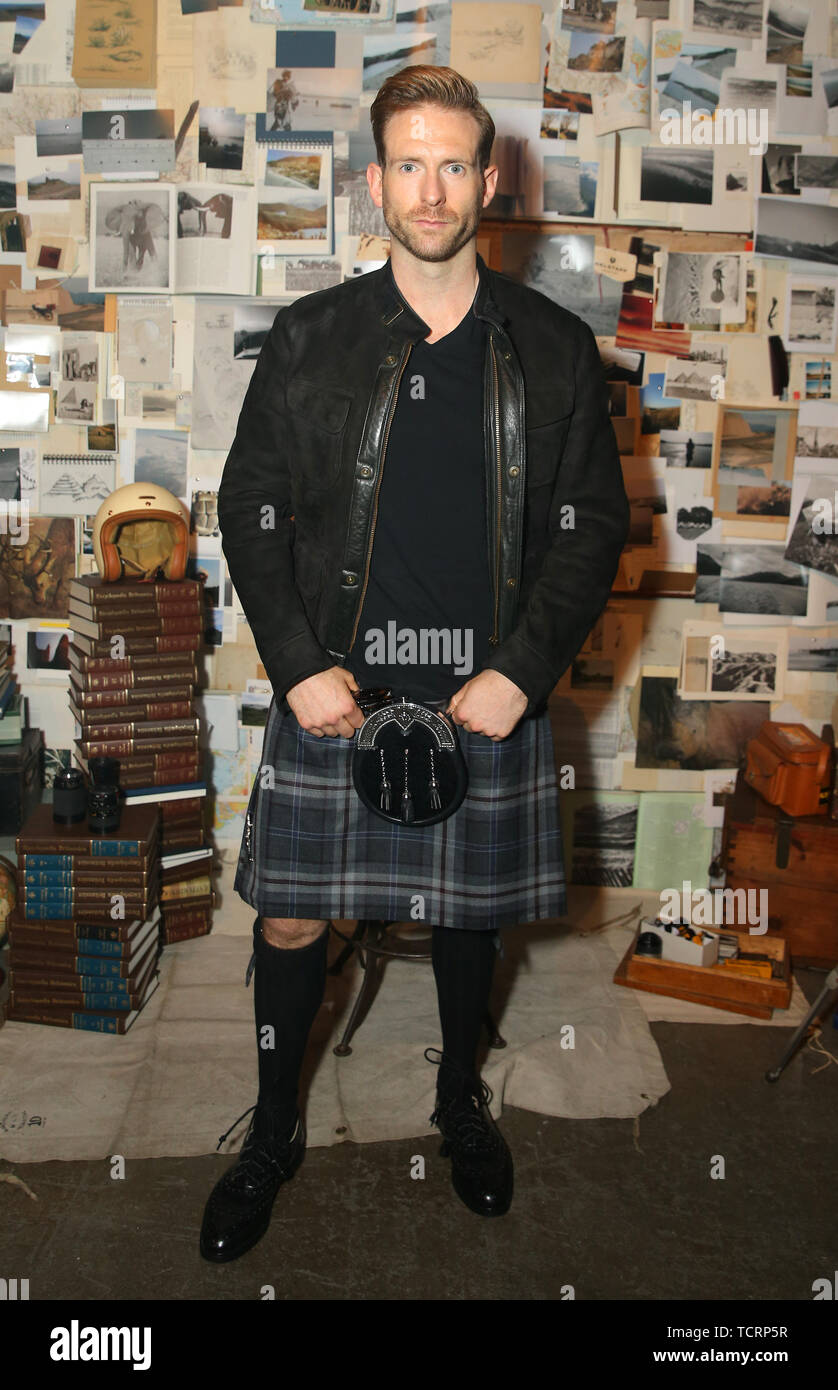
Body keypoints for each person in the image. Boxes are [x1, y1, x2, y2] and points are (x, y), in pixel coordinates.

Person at [203, 64, 630, 1263]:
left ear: (489, 177)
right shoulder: (311, 335)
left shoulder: (551, 346)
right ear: (374, 179)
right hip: (334, 687)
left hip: (483, 690)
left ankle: (456, 1106)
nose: (432, 189)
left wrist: (520, 670)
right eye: (409, 162)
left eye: (455, 163)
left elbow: (589, 524)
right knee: (290, 925)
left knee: (465, 920)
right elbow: (252, 505)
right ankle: (273, 1130)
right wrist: (294, 663)